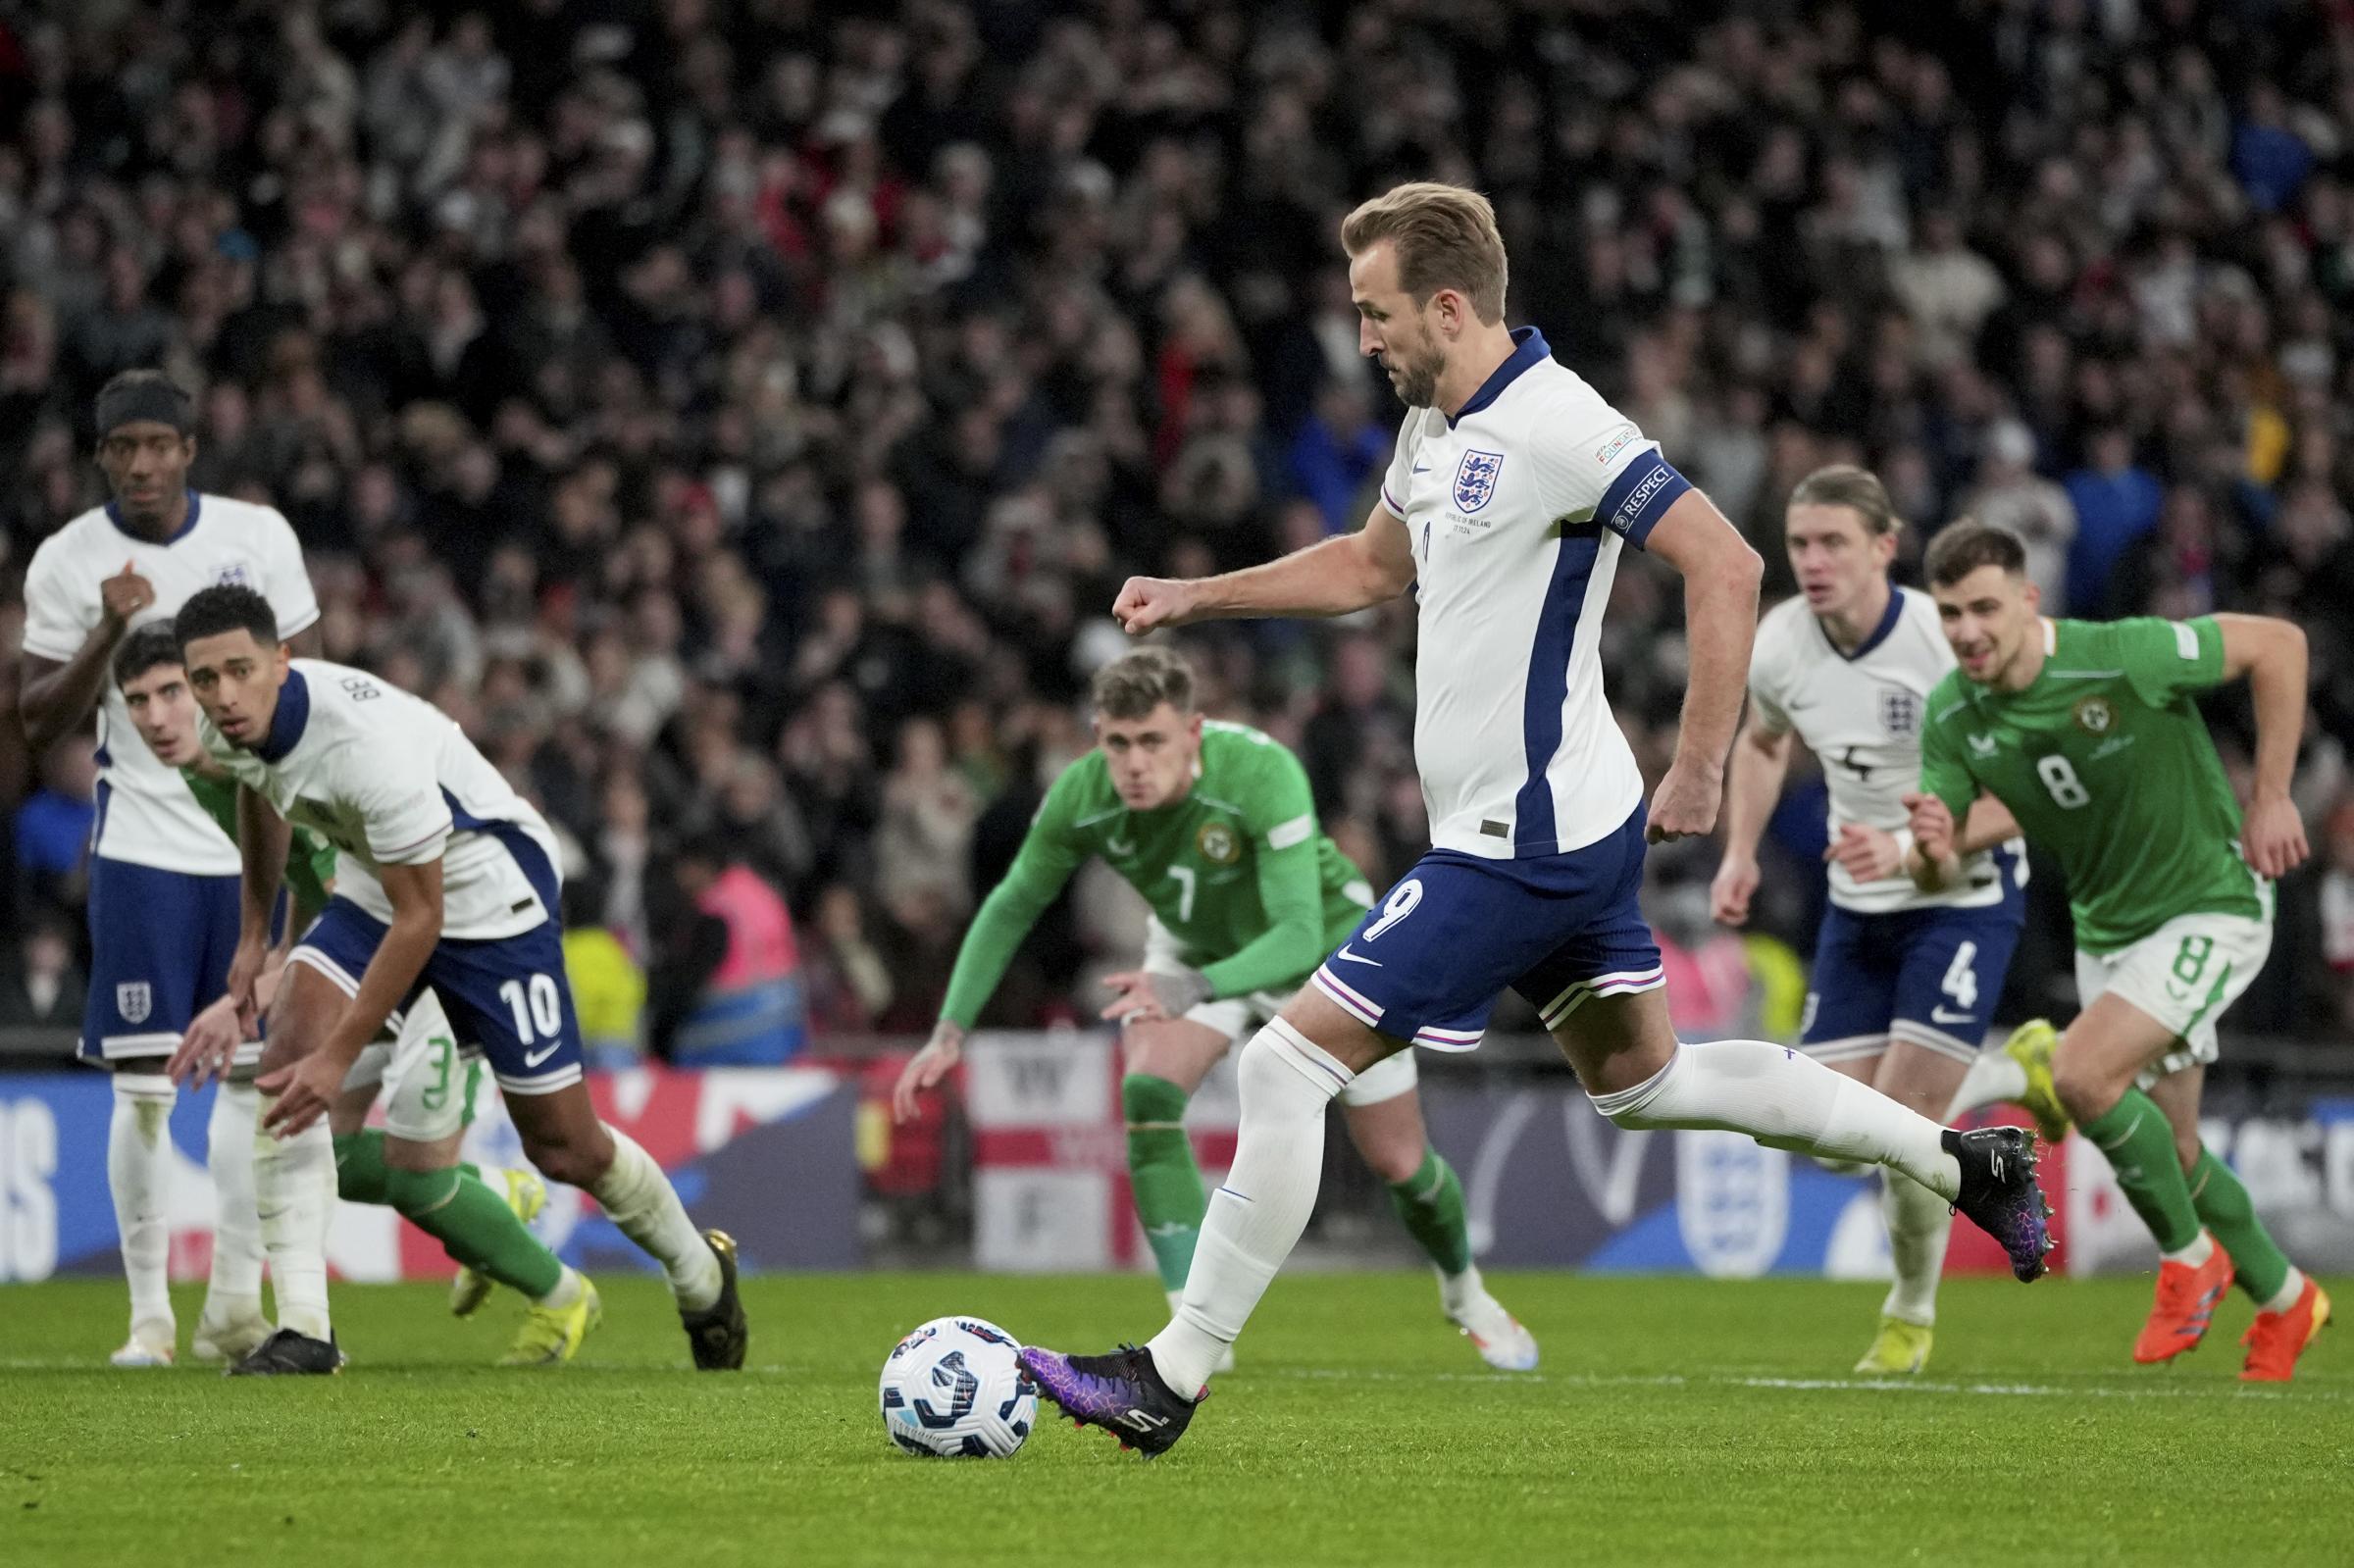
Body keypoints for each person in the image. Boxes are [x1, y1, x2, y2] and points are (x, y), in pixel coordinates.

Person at [1017, 182, 2051, 1456]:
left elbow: (1725, 563)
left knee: (1287, 1061)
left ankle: (1172, 1372)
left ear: (1450, 306)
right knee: (1651, 1086)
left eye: (1377, 313)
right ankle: (1972, 1164)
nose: (1365, 339)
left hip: (1528, 835)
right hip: (1547, 821)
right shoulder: (1434, 425)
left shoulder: (1561, 423)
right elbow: (1366, 568)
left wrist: (1703, 765)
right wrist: (1197, 595)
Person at [893, 646, 1538, 1372]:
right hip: (1195, 943)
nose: (1135, 763)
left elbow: (1295, 933)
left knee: (1401, 1163)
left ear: (1193, 733)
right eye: (1118, 743)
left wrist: (1191, 987)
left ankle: (1464, 1291)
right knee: (1147, 1089)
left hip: (1329, 948)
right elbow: (1013, 903)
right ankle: (1191, 1327)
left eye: (1153, 742)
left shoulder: (1262, 772)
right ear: (1098, 737)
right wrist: (949, 1030)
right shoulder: (1083, 794)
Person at [168, 584, 746, 1375]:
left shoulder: (363, 749)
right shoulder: (226, 725)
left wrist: (340, 1054)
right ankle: (306, 1329)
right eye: (205, 679)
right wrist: (253, 933)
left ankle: (700, 1275)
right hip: (382, 883)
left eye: (240, 671)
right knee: (283, 1074)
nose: (223, 696)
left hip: (488, 892)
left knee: (565, 1146)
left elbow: (424, 921)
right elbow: (259, 793)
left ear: (282, 661)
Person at [1907, 520, 2328, 1381]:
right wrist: (1922, 846)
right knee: (2174, 1151)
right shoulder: (1954, 713)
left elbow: (2280, 645)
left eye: (1985, 607)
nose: (1968, 630)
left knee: (2080, 1075)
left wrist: (2273, 797)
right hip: (2111, 930)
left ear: (2029, 601)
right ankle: (2288, 1302)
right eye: (1950, 613)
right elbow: (1943, 849)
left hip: (2212, 901)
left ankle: (2188, 1260)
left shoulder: (2123, 653)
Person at [112, 623, 592, 1366]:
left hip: (431, 955)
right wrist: (270, 961)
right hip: (373, 954)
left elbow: (363, 902)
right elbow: (317, 892)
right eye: (137, 701)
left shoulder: (278, 754)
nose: (158, 717)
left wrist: (259, 985)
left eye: (173, 691)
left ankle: (561, 1294)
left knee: (407, 1170)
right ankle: (494, 1193)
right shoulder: (221, 771)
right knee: (320, 1138)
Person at [16, 369, 320, 1367]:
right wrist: (108, 627)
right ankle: (148, 1316)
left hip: (252, 850)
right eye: (121, 448)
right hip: (143, 851)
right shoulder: (70, 560)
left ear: (191, 450)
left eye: (158, 444)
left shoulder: (259, 538)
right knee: (141, 1089)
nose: (141, 464)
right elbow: (35, 722)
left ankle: (235, 1302)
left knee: (251, 1086)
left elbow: (303, 691)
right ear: (100, 458)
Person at [1712, 465, 2034, 1375]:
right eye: (1801, 544)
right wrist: (1739, 850)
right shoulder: (1781, 641)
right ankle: (2011, 1068)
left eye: (1834, 544)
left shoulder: (1947, 638)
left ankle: (1910, 1313)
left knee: (1901, 1126)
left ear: (1885, 548)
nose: (1813, 562)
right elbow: (1767, 741)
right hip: (1858, 911)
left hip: (1961, 897)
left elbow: (2025, 782)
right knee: (1829, 1136)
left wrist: (1907, 848)